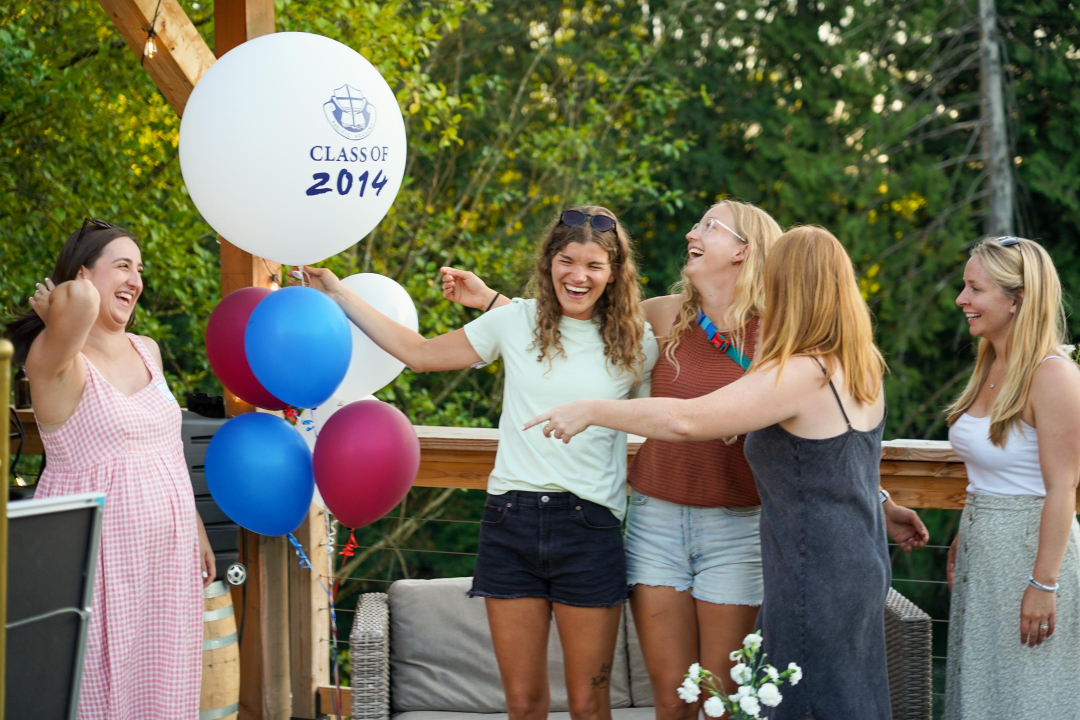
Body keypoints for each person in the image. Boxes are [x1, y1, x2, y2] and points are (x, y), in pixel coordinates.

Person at [443, 203, 927, 713]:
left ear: (744, 251)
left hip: (736, 528)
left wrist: (878, 500)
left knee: (718, 697)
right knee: (673, 700)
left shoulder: (782, 337)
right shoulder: (665, 314)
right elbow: (576, 320)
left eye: (709, 226)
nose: (692, 232)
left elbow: (819, 443)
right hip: (656, 520)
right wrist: (494, 301)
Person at [301, 206, 658, 720]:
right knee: (523, 703)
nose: (578, 276)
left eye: (594, 265)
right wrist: (338, 291)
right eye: (567, 260)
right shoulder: (516, 320)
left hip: (590, 530)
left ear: (614, 272)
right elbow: (419, 353)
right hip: (510, 523)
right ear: (549, 262)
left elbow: (659, 420)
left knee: (588, 702)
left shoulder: (635, 343)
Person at [3, 218, 215, 720]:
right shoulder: (54, 359)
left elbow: (165, 446)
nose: (136, 281)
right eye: (122, 266)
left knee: (163, 686)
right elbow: (77, 307)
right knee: (101, 687)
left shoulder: (148, 350)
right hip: (96, 558)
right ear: (82, 275)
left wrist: (198, 529)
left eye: (140, 270)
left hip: (167, 558)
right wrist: (59, 308)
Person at [943, 237, 1080, 719]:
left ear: (1016, 299)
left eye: (974, 288)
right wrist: (967, 529)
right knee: (982, 691)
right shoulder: (991, 363)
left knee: (1028, 697)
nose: (962, 299)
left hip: (1031, 556)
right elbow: (993, 470)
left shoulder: (1053, 374)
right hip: (984, 553)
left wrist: (1044, 584)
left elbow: (1063, 488)